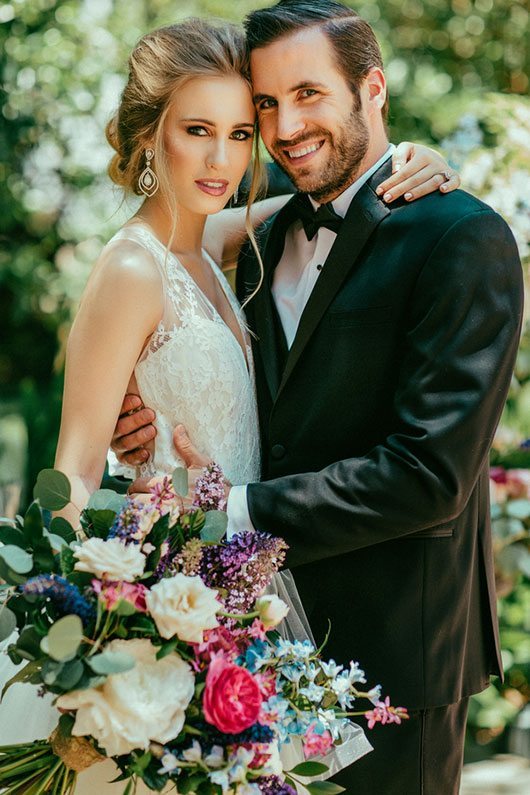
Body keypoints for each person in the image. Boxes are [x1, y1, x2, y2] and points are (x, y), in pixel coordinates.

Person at [0, 15, 455, 793]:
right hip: (170, 605)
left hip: (249, 601)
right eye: (197, 130)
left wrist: (413, 157)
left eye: (242, 132)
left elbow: (331, 208)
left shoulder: (212, 246)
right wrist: (73, 632)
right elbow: (73, 466)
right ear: (149, 136)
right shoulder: (132, 270)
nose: (222, 159)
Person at [114, 2, 524, 794]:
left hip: (395, 662)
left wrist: (228, 514)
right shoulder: (257, 242)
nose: (285, 125)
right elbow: (165, 293)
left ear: (372, 90)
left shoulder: (460, 238)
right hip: (246, 646)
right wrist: (151, 415)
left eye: (309, 94)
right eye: (265, 104)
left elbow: (427, 476)